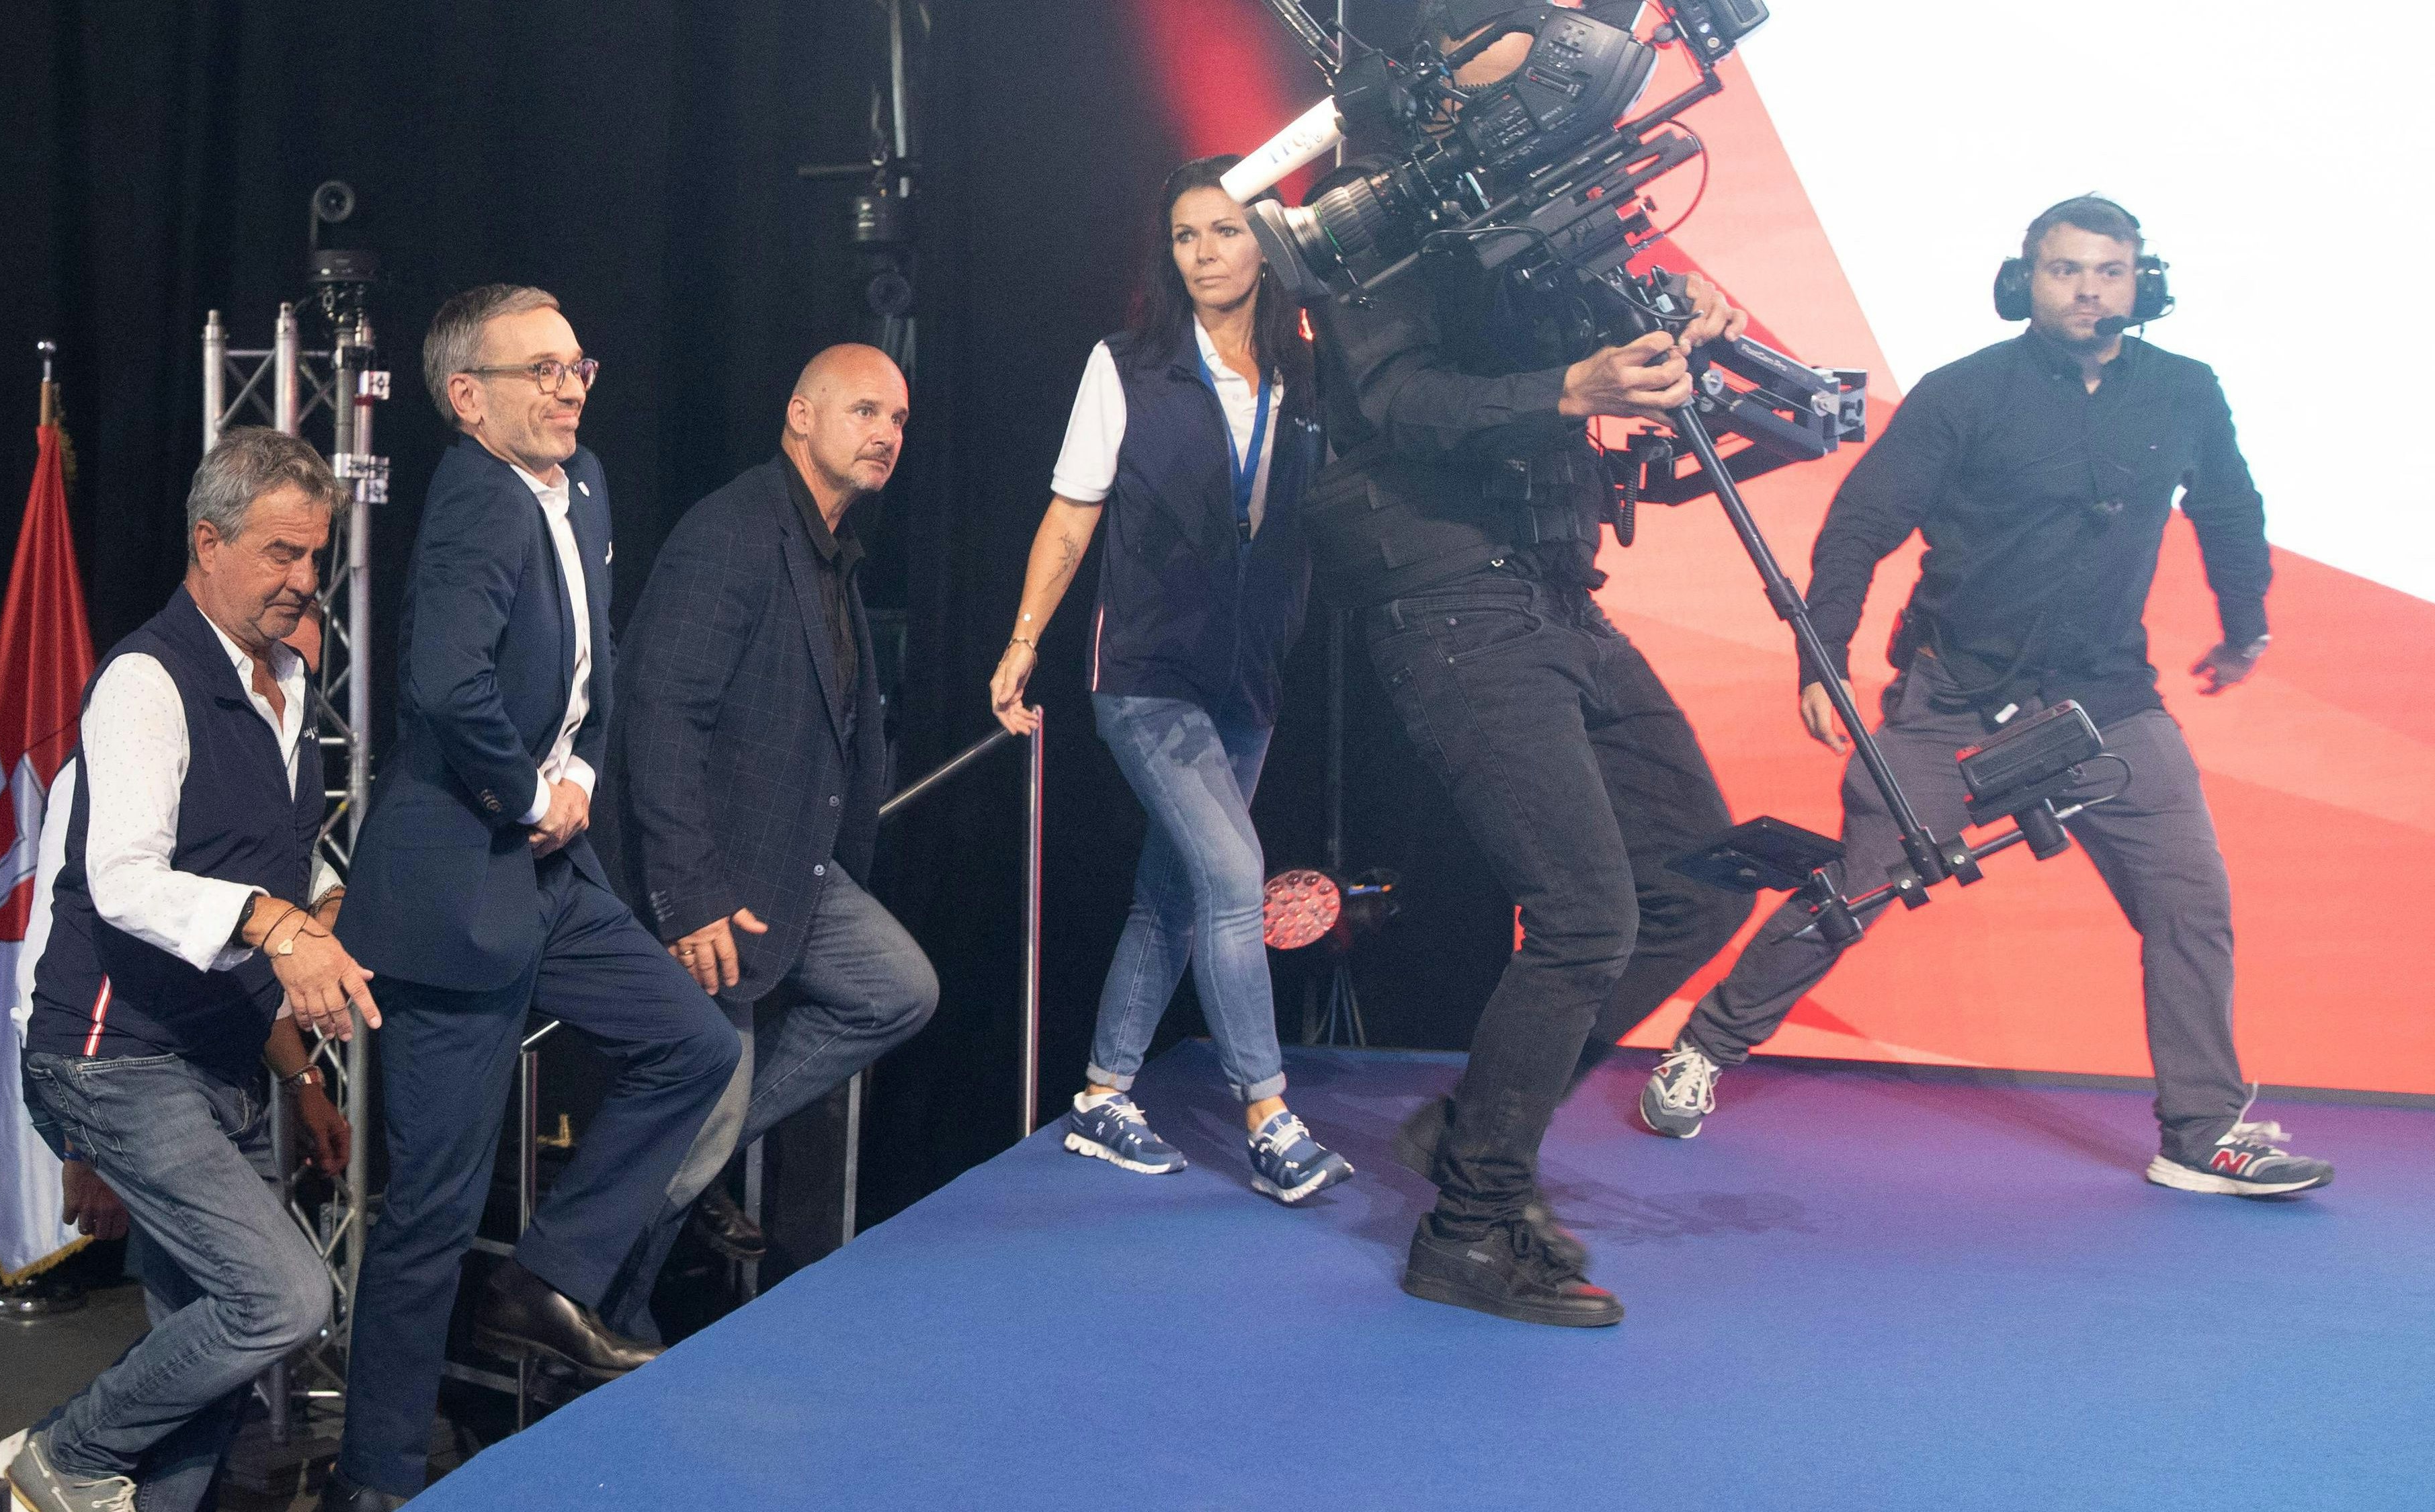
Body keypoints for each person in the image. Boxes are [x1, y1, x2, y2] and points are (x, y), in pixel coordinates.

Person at [1637, 196, 2335, 1199]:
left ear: (2144, 282)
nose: (2089, 288)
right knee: (1861, 882)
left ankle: (2201, 1133)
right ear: (2025, 283)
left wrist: (2247, 621)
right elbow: (1862, 521)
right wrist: (1819, 655)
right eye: (2065, 270)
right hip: (1954, 697)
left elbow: (2229, 506)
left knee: (2193, 901)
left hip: (2108, 704)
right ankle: (1704, 1048)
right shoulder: (1964, 393)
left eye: (2108, 270)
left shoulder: (2185, 390)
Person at [1302, 3, 1755, 1326]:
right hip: (1450, 593)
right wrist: (1573, 386)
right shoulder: (1370, 209)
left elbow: (1568, 340)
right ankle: (1467, 1232)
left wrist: (1676, 324)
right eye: (1537, 21)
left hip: (1551, 586)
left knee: (1692, 879)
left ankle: (1470, 1133)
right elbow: (1395, 404)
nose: (1569, 41)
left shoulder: (1529, 194)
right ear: (1455, 49)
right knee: (1584, 918)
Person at [327, 286, 738, 1511]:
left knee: (693, 1044)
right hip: (457, 893)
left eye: (577, 367)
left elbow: (589, 665)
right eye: (542, 372)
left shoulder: (586, 481)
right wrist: (526, 794)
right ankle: (375, 1479)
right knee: (431, 1216)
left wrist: (586, 771)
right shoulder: (470, 502)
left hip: (554, 875)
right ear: (470, 400)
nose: (570, 390)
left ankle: (546, 1278)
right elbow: (444, 689)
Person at [8, 427, 377, 1512]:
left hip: (217, 1061)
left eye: (317, 556)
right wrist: (279, 921)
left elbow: (273, 861)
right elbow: (118, 883)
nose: (305, 580)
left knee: (202, 1354)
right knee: (281, 1296)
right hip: (115, 1059)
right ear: (206, 543)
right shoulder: (142, 683)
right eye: (280, 554)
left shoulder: (294, 682)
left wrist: (307, 1042)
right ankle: (65, 1451)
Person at [988, 156, 1350, 1203]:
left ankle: (1103, 1095)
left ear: (1266, 244)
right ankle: (1270, 1117)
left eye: (1227, 231)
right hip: (1147, 677)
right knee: (1234, 879)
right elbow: (1072, 508)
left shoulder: (1305, 371)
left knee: (1174, 894)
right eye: (1187, 235)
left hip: (1248, 677)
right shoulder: (1129, 363)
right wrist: (1023, 641)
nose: (1204, 253)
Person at [595, 343, 939, 1285]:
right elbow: (658, 716)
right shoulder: (735, 531)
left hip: (790, 865)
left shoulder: (827, 549)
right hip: (708, 878)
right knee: (700, 1115)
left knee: (897, 987)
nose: (887, 435)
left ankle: (683, 1159)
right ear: (801, 415)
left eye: (899, 420)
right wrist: (689, 895)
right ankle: (593, 1308)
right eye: (866, 412)